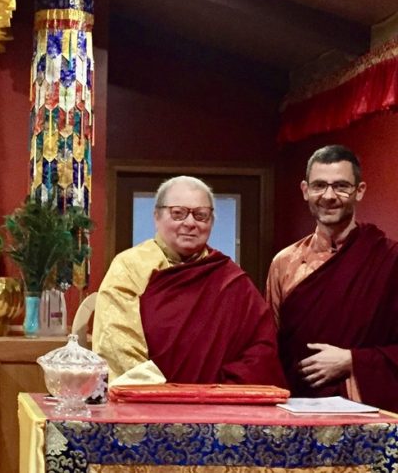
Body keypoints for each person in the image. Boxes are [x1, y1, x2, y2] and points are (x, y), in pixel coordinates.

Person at [93, 176, 284, 386]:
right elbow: (117, 345)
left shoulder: (228, 278)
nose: (190, 223)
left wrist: (224, 391)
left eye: (201, 215)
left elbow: (260, 348)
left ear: (211, 221)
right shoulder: (130, 267)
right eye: (178, 213)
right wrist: (163, 394)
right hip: (151, 404)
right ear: (157, 216)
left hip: (217, 405)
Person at [268, 145, 398, 411]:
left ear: (359, 190)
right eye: (319, 186)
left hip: (369, 413)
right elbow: (270, 346)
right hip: (298, 408)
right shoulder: (285, 263)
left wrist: (353, 360)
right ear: (305, 190)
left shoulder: (390, 259)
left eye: (341, 186)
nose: (328, 196)